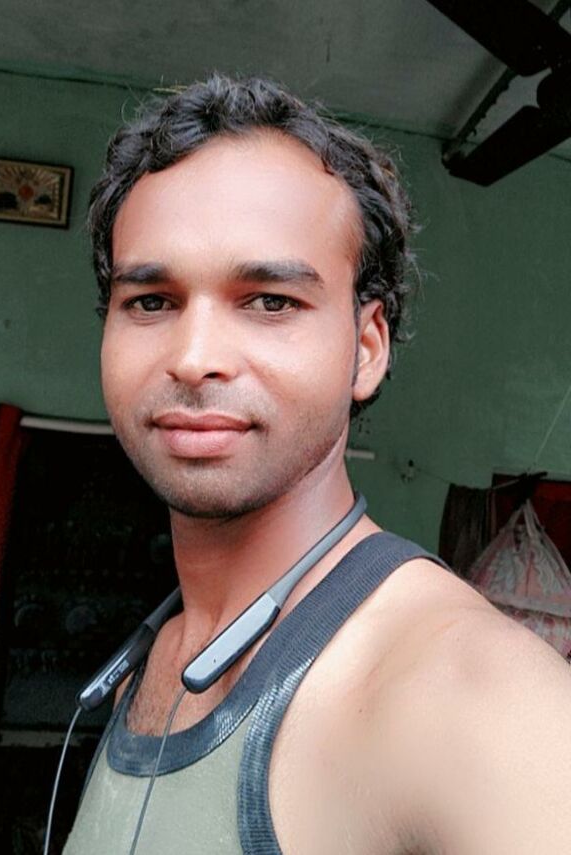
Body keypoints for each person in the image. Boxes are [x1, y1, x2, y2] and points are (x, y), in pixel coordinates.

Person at [63, 74, 571, 854]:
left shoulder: (471, 693)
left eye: (270, 301)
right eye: (152, 301)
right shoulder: (150, 660)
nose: (193, 358)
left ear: (366, 349)